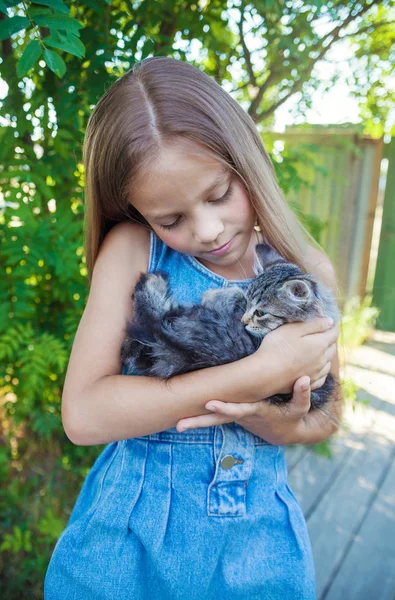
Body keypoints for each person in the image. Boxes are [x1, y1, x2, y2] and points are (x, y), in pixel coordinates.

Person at [44, 56, 341, 599]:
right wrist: (257, 374)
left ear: (247, 162)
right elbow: (84, 415)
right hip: (126, 547)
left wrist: (274, 415)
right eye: (170, 219)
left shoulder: (306, 272)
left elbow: (322, 421)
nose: (207, 230)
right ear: (136, 211)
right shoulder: (134, 251)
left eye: (220, 194)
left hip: (257, 551)